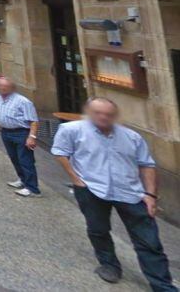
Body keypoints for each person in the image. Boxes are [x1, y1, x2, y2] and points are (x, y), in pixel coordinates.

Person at [52, 98, 175, 290]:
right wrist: (76, 180)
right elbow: (60, 152)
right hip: (92, 189)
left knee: (149, 241)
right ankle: (109, 265)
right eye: (98, 113)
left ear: (115, 116)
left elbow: (147, 164)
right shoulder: (71, 130)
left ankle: (162, 285)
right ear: (89, 113)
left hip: (131, 192)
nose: (103, 117)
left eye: (108, 114)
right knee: (98, 230)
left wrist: (150, 195)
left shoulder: (131, 136)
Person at [0, 76, 41, 198]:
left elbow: (34, 121)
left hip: (21, 133)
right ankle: (22, 180)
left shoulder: (23, 101)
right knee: (14, 158)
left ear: (11, 88)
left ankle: (32, 188)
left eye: (5, 86)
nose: (2, 88)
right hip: (6, 132)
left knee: (25, 160)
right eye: (0, 86)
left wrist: (32, 137)